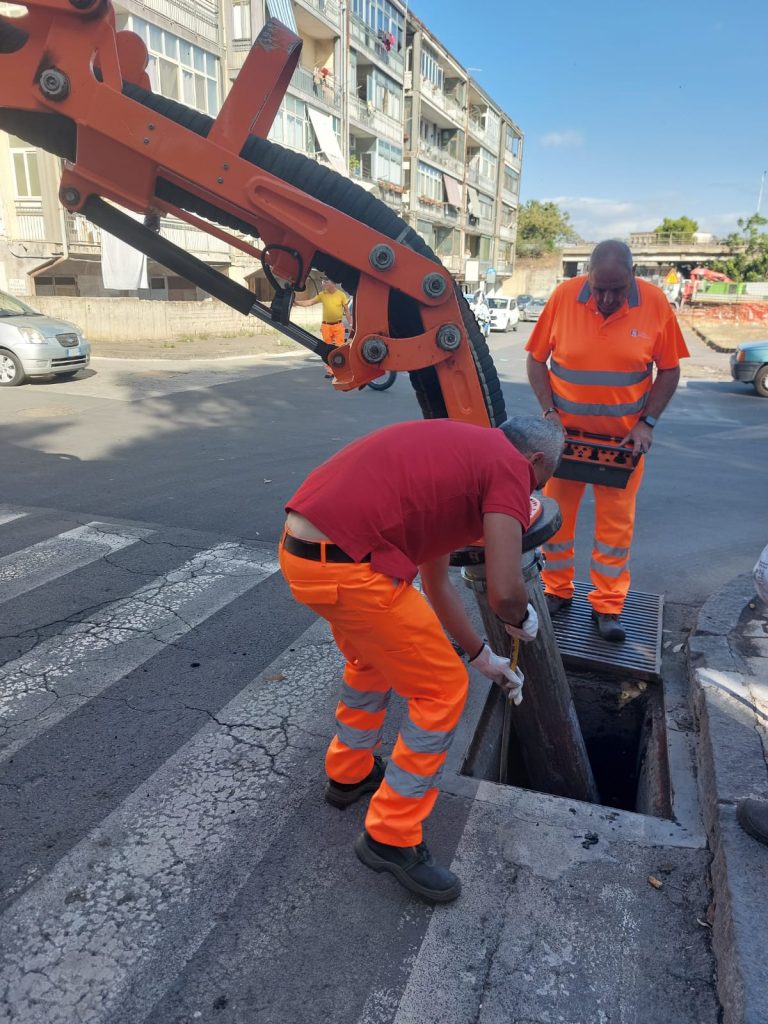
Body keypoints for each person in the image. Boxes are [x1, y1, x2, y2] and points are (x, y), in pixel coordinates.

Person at [278, 416, 564, 902]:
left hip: (305, 553)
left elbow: (434, 582)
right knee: (441, 690)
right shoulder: (510, 468)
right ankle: (390, 836)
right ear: (534, 462)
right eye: (539, 483)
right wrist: (521, 616)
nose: (525, 497)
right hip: (350, 567)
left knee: (372, 661)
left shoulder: (461, 460)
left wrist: (483, 657)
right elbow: (504, 590)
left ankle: (348, 774)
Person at [526, 240, 689, 642]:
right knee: (556, 519)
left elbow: (668, 370)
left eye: (617, 289)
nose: (607, 298)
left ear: (633, 276)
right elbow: (535, 360)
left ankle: (608, 605)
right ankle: (557, 590)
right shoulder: (565, 297)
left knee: (615, 530)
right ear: (588, 275)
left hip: (621, 448)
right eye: (600, 288)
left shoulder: (654, 304)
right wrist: (549, 415)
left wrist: (647, 422)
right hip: (566, 442)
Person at [294, 277, 350, 379]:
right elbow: (309, 302)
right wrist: (296, 302)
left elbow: (346, 311)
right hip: (326, 326)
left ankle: (341, 370)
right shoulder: (322, 295)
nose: (323, 283)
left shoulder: (341, 295)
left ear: (333, 282)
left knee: (340, 348)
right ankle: (330, 371)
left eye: (325, 281)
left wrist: (351, 325)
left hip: (338, 326)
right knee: (327, 350)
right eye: (323, 281)